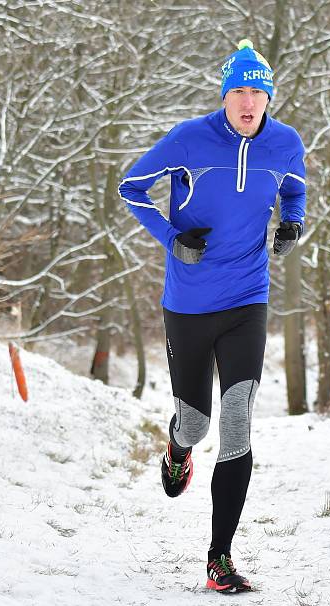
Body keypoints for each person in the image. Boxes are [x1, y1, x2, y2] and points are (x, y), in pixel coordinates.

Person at [118, 39, 306, 593]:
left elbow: (294, 191)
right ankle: (178, 448)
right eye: (240, 91)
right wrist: (171, 237)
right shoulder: (188, 139)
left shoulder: (285, 143)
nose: (249, 102)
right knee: (197, 423)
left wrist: (291, 223)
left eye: (259, 92)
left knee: (238, 424)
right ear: (225, 95)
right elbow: (130, 187)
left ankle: (218, 557)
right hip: (189, 304)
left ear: (269, 96)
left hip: (248, 298)